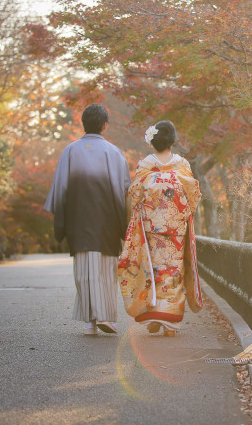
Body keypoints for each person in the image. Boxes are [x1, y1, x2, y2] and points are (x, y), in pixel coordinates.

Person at [44, 104, 131, 336]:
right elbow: (124, 192)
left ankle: (90, 322)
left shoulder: (70, 151)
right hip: (108, 222)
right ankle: (106, 317)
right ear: (104, 125)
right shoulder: (114, 153)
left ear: (83, 124)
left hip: (78, 222)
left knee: (84, 272)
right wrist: (126, 226)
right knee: (105, 271)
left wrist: (62, 224)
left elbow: (60, 190)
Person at [118, 120, 203, 337]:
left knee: (152, 271)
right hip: (176, 229)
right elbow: (193, 195)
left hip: (151, 229)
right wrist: (180, 212)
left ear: (152, 141)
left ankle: (155, 317)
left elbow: (133, 196)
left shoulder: (146, 165)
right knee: (173, 271)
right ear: (173, 140)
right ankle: (170, 324)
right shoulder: (182, 164)